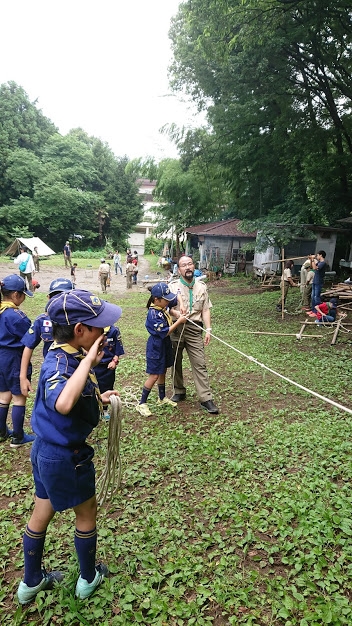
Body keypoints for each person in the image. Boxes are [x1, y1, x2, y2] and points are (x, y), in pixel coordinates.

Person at [16, 289, 122, 605]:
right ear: (80, 331)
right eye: (98, 327)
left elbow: (72, 397)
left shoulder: (67, 355)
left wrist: (98, 397)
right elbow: (63, 402)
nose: (104, 333)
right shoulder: (60, 363)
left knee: (41, 511)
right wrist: (91, 358)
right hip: (66, 457)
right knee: (87, 512)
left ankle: (31, 582)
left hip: (46, 453)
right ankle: (88, 578)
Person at [169, 255, 219, 414]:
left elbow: (205, 309)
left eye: (190, 264)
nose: (187, 267)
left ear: (194, 266)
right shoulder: (172, 287)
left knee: (199, 362)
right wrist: (177, 314)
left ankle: (206, 398)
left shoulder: (202, 286)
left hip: (195, 328)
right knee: (175, 360)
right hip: (176, 327)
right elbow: (166, 308)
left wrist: (208, 329)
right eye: (183, 265)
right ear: (179, 269)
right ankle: (179, 391)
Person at [136, 282, 188, 417]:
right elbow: (164, 332)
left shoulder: (162, 306)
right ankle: (142, 403)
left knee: (163, 370)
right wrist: (179, 321)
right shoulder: (153, 314)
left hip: (165, 344)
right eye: (166, 300)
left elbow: (177, 296)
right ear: (156, 300)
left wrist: (181, 304)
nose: (168, 302)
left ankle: (162, 397)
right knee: (154, 374)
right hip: (156, 346)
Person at [20, 278, 74, 397]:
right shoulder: (42, 321)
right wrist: (22, 377)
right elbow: (28, 346)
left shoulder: (78, 320)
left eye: (64, 296)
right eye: (55, 297)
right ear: (49, 298)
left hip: (75, 368)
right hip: (52, 369)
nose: (59, 301)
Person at [0, 275, 35, 447]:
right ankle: (18, 437)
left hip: (0, 357)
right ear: (15, 295)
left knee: (3, 395)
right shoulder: (15, 316)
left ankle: (1, 432)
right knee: (19, 397)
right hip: (13, 357)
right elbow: (29, 337)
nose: (23, 298)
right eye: (22, 294)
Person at [94, 325, 125, 419]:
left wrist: (114, 361)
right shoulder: (93, 328)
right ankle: (94, 409)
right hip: (94, 365)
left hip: (108, 366)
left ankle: (104, 410)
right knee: (93, 387)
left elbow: (118, 350)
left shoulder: (114, 331)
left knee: (107, 387)